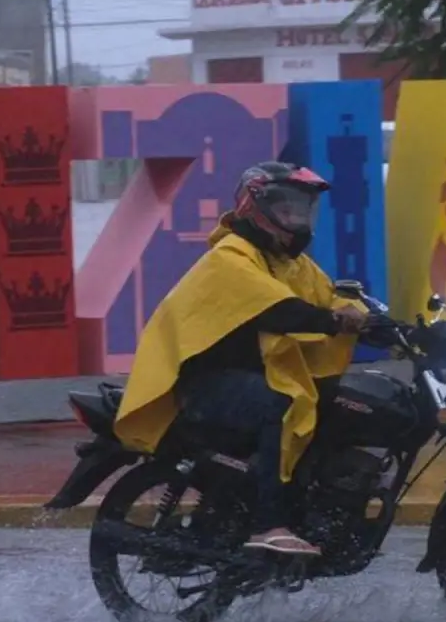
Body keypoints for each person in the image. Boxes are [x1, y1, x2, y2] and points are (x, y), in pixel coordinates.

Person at [113, 162, 366, 557]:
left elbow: (329, 295)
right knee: (281, 403)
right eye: (287, 209)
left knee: (335, 405)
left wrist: (380, 322)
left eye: (303, 209)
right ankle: (269, 524)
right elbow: (279, 309)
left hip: (248, 375)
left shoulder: (290, 264)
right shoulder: (231, 257)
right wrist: (334, 321)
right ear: (255, 207)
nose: (297, 219)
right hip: (205, 384)